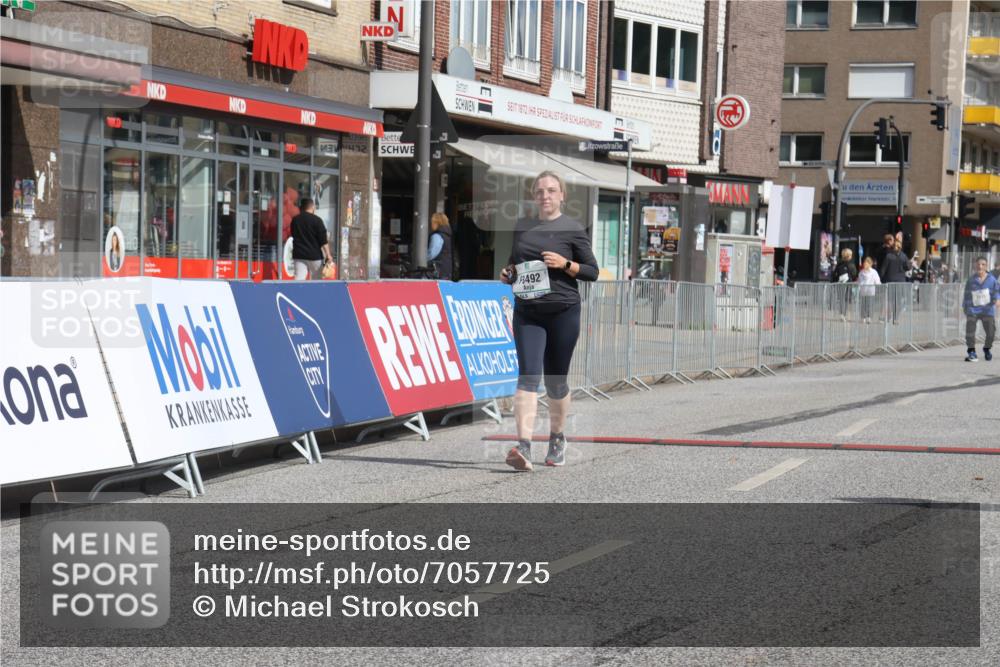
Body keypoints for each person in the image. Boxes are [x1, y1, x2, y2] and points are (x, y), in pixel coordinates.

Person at [499, 171, 599, 471]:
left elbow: (592, 271)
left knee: (556, 382)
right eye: (540, 191)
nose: (545, 196)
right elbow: (514, 265)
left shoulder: (573, 229)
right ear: (534, 196)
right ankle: (524, 447)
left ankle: (557, 438)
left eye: (552, 191)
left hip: (563, 313)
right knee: (528, 377)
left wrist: (565, 264)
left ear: (562, 195)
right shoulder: (523, 227)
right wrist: (507, 275)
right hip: (528, 312)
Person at [962, 256, 1000, 362]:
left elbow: (997, 291)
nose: (980, 266)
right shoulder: (971, 280)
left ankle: (987, 348)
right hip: (973, 310)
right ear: (975, 265)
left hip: (987, 310)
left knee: (991, 332)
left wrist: (997, 299)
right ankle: (971, 351)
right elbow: (966, 295)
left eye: (983, 264)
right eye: (978, 264)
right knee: (970, 331)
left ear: (986, 266)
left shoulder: (992, 279)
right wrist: (964, 307)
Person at [290, 198, 332, 280]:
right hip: (314, 256)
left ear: (301, 208)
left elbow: (293, 234)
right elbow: (323, 240)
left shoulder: (295, 220)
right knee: (316, 281)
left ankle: (297, 293)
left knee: (299, 279)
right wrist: (328, 255)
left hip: (299, 255)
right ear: (312, 207)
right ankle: (314, 293)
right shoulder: (317, 220)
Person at [880, 239, 909, 324]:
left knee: (889, 300)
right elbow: (907, 267)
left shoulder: (888, 256)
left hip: (890, 280)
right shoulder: (904, 256)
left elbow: (883, 269)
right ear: (900, 248)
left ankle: (889, 316)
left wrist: (881, 280)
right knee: (898, 301)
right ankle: (895, 318)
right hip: (900, 281)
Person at [427, 212, 453, 280]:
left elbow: (432, 253)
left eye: (432, 222)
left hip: (438, 270)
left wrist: (423, 260)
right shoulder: (448, 235)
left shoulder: (437, 236)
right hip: (447, 269)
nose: (431, 224)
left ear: (437, 223)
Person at [857, 255, 882, 324]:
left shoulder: (873, 272)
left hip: (871, 291)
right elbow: (859, 281)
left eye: (866, 263)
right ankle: (863, 317)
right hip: (863, 291)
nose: (864, 264)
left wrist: (879, 285)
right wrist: (858, 288)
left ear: (870, 264)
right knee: (863, 305)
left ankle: (869, 317)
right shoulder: (861, 272)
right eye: (864, 263)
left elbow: (877, 281)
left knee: (870, 304)